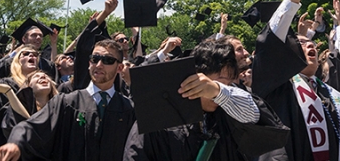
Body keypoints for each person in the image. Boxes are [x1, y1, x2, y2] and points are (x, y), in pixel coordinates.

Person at [252, 0, 340, 161]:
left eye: (311, 44)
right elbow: (269, 43)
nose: (311, 45)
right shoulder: (278, 88)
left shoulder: (331, 93)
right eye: (301, 43)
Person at [123, 39, 288, 160]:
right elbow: (135, 155)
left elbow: (255, 114)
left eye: (229, 85)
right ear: (196, 75)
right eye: (219, 81)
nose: (224, 89)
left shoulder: (228, 108)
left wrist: (217, 90)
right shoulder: (159, 115)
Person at [0, 39, 135, 161]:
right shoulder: (66, 102)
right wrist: (16, 142)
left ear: (120, 68)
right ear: (89, 63)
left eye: (107, 60)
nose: (99, 65)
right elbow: (33, 126)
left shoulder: (130, 109)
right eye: (94, 59)